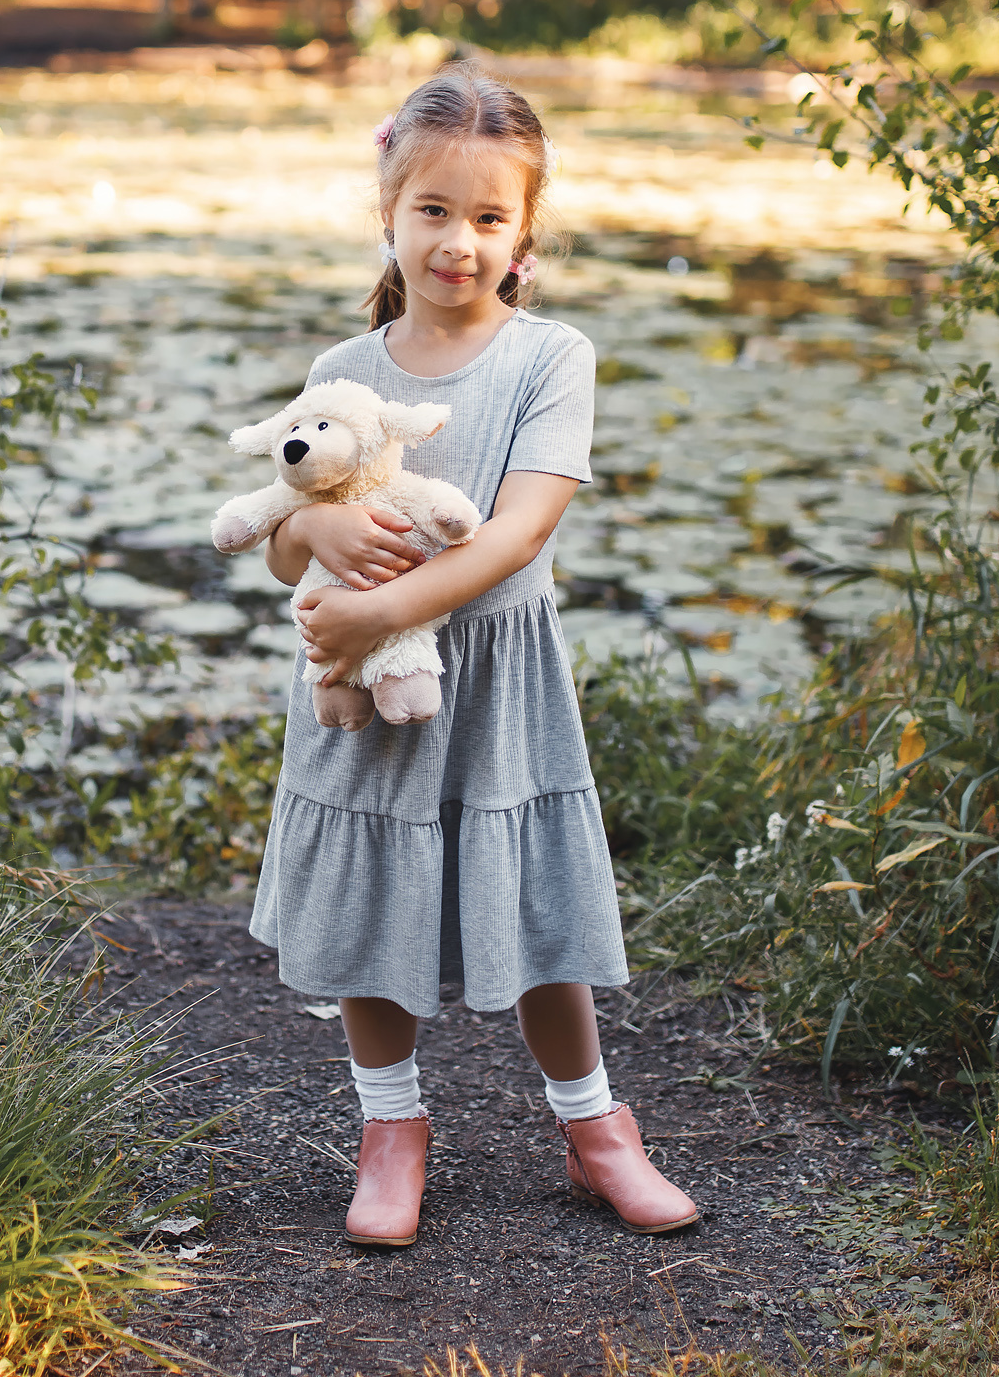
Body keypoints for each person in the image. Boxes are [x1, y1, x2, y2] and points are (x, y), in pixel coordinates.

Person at [241, 64, 700, 1247]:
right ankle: (392, 1127)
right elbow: (288, 535)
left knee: (535, 902)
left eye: (488, 218)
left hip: (496, 677)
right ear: (388, 216)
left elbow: (516, 535)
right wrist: (315, 531)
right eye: (433, 212)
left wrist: (370, 617)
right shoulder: (345, 374)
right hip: (363, 685)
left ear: (523, 235)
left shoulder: (551, 357)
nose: (457, 242)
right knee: (372, 897)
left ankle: (598, 1131)